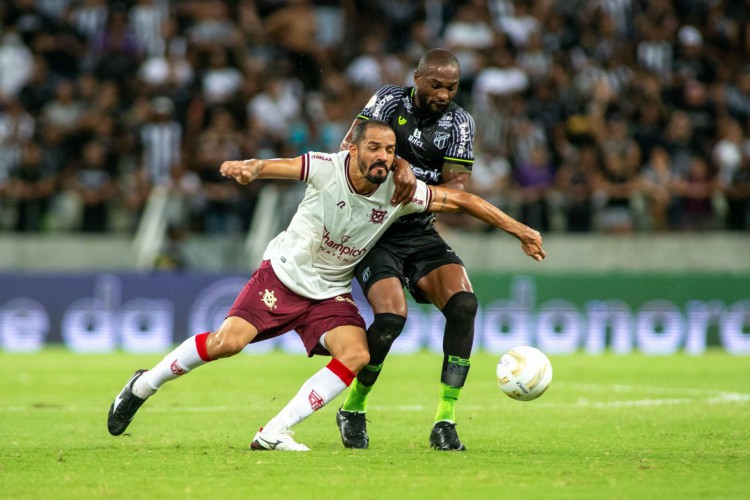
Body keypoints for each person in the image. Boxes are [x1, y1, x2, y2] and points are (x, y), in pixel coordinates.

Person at [107, 119, 545, 451]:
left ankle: (275, 431)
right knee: (228, 343)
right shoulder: (325, 167)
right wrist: (251, 168)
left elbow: (463, 200)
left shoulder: (401, 191)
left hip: (330, 291)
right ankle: (143, 385)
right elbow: (277, 166)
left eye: (390, 151)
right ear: (353, 149)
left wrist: (520, 230)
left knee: (357, 353)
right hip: (282, 277)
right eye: (374, 148)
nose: (382, 158)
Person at [336, 48, 480, 451]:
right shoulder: (387, 100)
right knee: (390, 320)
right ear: (417, 78)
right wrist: (396, 164)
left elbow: (457, 189)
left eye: (451, 87)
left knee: (464, 305)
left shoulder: (460, 123)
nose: (444, 94)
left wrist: (417, 187)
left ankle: (445, 420)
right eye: (436, 85)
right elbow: (351, 147)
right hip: (374, 230)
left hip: (418, 228)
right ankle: (354, 407)